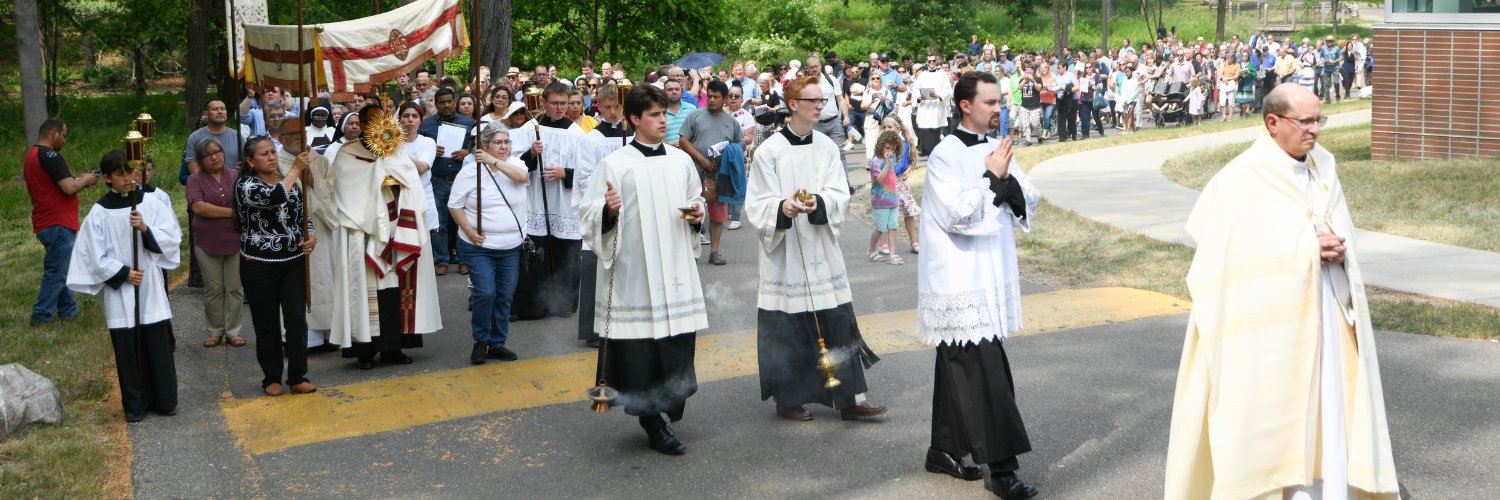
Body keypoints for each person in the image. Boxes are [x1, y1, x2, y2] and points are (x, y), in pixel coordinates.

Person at [1164, 84, 1399, 500]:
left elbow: (1340, 228)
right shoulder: (1240, 179)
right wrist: (1307, 248)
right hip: (1269, 332)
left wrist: (1336, 246)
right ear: (1272, 123)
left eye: (1318, 120)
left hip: (1326, 309)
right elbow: (1223, 260)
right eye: (1304, 121)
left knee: (1330, 410)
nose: (1315, 131)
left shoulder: (1324, 167)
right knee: (1274, 418)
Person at [918, 71, 1041, 500]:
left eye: (999, 101)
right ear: (966, 105)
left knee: (960, 364)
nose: (998, 109)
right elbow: (956, 215)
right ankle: (1002, 471)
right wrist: (993, 180)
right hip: (959, 279)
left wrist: (1004, 181)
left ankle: (944, 449)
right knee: (986, 372)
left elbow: (1029, 195)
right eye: (990, 102)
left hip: (990, 272)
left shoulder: (997, 147)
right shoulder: (944, 156)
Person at [747, 75, 887, 423]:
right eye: (813, 101)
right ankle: (789, 399)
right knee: (789, 324)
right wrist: (783, 207)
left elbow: (840, 192)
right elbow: (757, 203)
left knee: (837, 319)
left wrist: (819, 203)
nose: (819, 107)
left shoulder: (826, 146)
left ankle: (851, 398)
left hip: (821, 247)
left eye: (822, 101)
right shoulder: (769, 152)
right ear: (793, 105)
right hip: (786, 255)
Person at [579, 84, 709, 455]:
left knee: (676, 346)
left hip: (674, 270)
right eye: (654, 115)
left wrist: (696, 212)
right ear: (634, 119)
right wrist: (609, 211)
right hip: (635, 274)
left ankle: (668, 405)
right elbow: (588, 218)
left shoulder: (679, 159)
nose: (662, 120)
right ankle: (651, 421)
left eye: (665, 114)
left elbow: (693, 199)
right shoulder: (616, 165)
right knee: (641, 352)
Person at [316, 105, 443, 370]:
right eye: (370, 121)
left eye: (380, 120)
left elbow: (413, 185)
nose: (376, 126)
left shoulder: (396, 149)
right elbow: (345, 193)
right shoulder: (347, 153)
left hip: (397, 229)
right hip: (363, 232)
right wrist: (378, 180)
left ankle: (393, 348)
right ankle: (365, 350)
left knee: (396, 291)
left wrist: (394, 182)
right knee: (365, 291)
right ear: (361, 124)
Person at [67, 150, 182, 421]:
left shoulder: (151, 202)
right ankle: (135, 405)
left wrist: (145, 229)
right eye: (120, 174)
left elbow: (172, 236)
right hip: (121, 288)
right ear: (106, 178)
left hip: (150, 284)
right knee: (128, 347)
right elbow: (93, 255)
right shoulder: (100, 212)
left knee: (156, 344)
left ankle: (165, 400)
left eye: (131, 172)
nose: (128, 178)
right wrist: (122, 273)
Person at [235, 135, 318, 396]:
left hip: (292, 261)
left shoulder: (290, 180)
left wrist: (310, 236)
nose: (271, 157)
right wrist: (295, 169)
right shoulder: (246, 186)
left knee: (296, 320)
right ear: (250, 161)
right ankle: (271, 376)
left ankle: (297, 376)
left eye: (273, 152)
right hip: (259, 263)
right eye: (264, 154)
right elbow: (276, 196)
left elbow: (303, 215)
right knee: (266, 323)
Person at [508, 82, 588, 320]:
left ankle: (563, 303)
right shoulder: (530, 129)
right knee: (534, 253)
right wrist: (531, 154)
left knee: (565, 252)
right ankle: (531, 307)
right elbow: (512, 162)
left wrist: (566, 173)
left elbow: (588, 171)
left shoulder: (577, 134)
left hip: (564, 203)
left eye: (564, 103)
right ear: (544, 103)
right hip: (536, 201)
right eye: (555, 103)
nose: (560, 108)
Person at [451, 124, 530, 365]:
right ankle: (481, 340)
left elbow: (522, 178)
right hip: (478, 246)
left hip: (511, 246)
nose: (504, 146)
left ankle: (497, 342)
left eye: (506, 142)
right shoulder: (469, 172)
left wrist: (494, 162)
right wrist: (469, 231)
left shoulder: (516, 164)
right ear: (485, 145)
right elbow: (455, 206)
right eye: (498, 142)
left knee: (505, 295)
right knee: (486, 293)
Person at [572, 82, 632, 348]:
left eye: (617, 107)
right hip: (602, 208)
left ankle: (624, 322)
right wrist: (607, 195)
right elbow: (584, 178)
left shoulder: (632, 137)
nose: (613, 112)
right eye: (607, 107)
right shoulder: (591, 140)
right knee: (597, 270)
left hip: (629, 209)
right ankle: (593, 330)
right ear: (598, 107)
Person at [25, 119, 97, 326]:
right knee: (57, 271)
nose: (64, 139)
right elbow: (68, 187)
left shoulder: (32, 154)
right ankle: (41, 315)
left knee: (62, 267)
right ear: (54, 133)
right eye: (64, 135)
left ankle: (68, 311)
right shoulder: (50, 155)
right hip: (56, 222)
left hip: (47, 221)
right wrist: (85, 180)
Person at [185, 138, 246, 348]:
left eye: (217, 151)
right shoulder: (195, 180)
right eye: (209, 154)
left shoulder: (235, 176)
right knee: (213, 288)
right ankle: (215, 330)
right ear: (201, 160)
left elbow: (245, 203)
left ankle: (233, 331)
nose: (215, 156)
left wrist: (235, 214)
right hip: (207, 240)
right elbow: (200, 207)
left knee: (235, 288)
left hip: (235, 239)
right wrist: (232, 212)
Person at [678, 80, 744, 266]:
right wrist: (702, 159)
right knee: (691, 211)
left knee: (718, 215)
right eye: (710, 96)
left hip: (720, 175)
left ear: (724, 99)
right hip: (694, 173)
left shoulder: (731, 122)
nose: (712, 100)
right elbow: (683, 140)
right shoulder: (695, 115)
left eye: (716, 97)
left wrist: (728, 153)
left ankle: (714, 252)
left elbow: (740, 143)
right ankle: (689, 250)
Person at [419, 87, 477, 276]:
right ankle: (441, 260)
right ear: (435, 104)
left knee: (463, 221)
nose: (446, 105)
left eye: (449, 101)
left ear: (455, 102)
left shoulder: (469, 123)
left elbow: (478, 146)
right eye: (441, 102)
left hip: (462, 179)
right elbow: (418, 146)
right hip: (437, 179)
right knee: (440, 222)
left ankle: (463, 259)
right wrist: (430, 150)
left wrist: (467, 152)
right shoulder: (426, 126)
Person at [867, 132, 905, 265]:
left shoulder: (891, 159)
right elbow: (879, 180)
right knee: (880, 229)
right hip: (880, 201)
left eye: (893, 149)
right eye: (887, 148)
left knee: (893, 227)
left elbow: (892, 178)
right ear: (881, 146)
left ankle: (893, 255)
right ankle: (872, 250)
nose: (890, 151)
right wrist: (888, 165)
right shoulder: (876, 161)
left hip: (892, 200)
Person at [913, 54, 953, 156]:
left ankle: (937, 154)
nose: (931, 63)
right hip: (925, 107)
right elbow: (916, 90)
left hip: (937, 108)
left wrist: (939, 96)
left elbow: (948, 90)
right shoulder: (922, 75)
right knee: (926, 131)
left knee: (937, 131)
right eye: (929, 61)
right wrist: (918, 98)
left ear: (936, 61)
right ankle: (928, 153)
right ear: (926, 62)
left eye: (933, 61)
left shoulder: (942, 74)